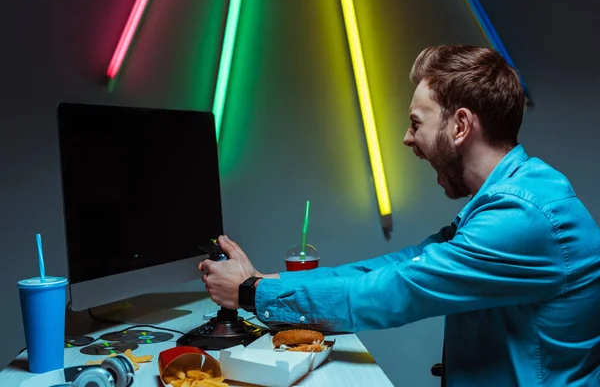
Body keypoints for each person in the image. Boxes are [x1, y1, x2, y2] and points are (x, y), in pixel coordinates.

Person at [199, 45, 600, 386]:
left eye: (416, 123)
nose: (408, 138)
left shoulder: (522, 216)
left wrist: (252, 294)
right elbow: (402, 264)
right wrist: (268, 283)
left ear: (460, 125)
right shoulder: (508, 197)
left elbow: (396, 291)